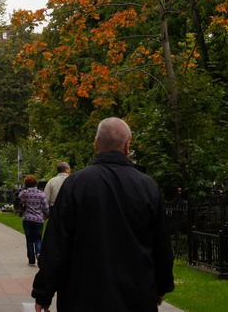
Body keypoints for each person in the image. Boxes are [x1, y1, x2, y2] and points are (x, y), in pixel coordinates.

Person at [32, 117, 174, 312]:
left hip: (83, 295)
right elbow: (161, 244)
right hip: (136, 294)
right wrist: (161, 285)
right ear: (127, 145)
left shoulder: (75, 184)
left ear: (96, 144)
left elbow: (56, 243)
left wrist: (44, 292)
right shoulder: (147, 186)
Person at [18, 174, 49, 266]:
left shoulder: (25, 193)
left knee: (29, 239)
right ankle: (39, 253)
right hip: (38, 219)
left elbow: (20, 196)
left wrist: (24, 187)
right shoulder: (41, 193)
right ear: (36, 183)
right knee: (38, 239)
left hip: (27, 218)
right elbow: (46, 207)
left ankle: (31, 260)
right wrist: (47, 215)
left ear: (26, 183)